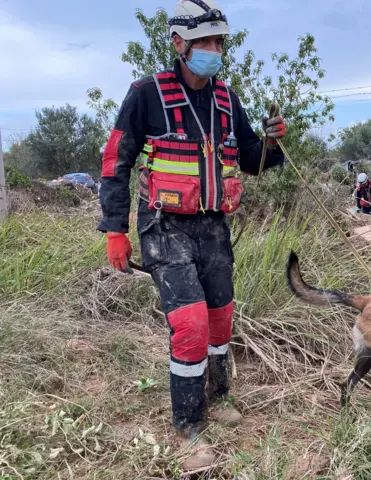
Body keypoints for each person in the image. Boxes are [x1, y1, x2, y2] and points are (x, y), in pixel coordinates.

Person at [97, 0, 286, 469]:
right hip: (164, 226)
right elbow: (115, 162)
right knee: (192, 324)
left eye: (219, 41)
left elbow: (250, 160)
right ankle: (189, 426)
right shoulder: (146, 94)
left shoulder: (226, 99)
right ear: (178, 44)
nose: (213, 50)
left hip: (213, 227)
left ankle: (219, 396)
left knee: (221, 318)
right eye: (203, 41)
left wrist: (272, 143)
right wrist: (115, 230)